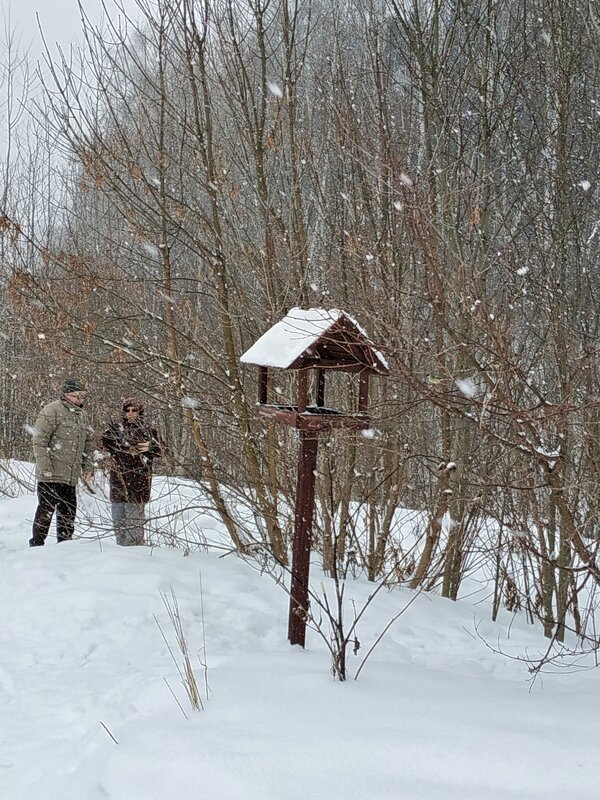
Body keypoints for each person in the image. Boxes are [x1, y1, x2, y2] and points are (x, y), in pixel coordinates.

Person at [30, 378, 95, 546]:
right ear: (66, 394)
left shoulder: (83, 416)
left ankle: (64, 546)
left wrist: (88, 468)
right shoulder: (51, 411)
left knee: (68, 514)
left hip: (70, 476)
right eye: (77, 396)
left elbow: (88, 444)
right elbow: (39, 440)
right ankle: (36, 544)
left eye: (83, 396)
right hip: (50, 475)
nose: (80, 400)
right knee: (46, 511)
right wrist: (45, 467)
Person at [101, 398, 161, 546]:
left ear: (140, 411)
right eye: (127, 410)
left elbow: (161, 451)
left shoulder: (148, 431)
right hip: (118, 482)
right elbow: (100, 444)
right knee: (118, 523)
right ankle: (121, 556)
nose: (131, 413)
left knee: (134, 527)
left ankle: (136, 557)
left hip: (138, 484)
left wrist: (151, 446)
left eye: (134, 409)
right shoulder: (115, 430)